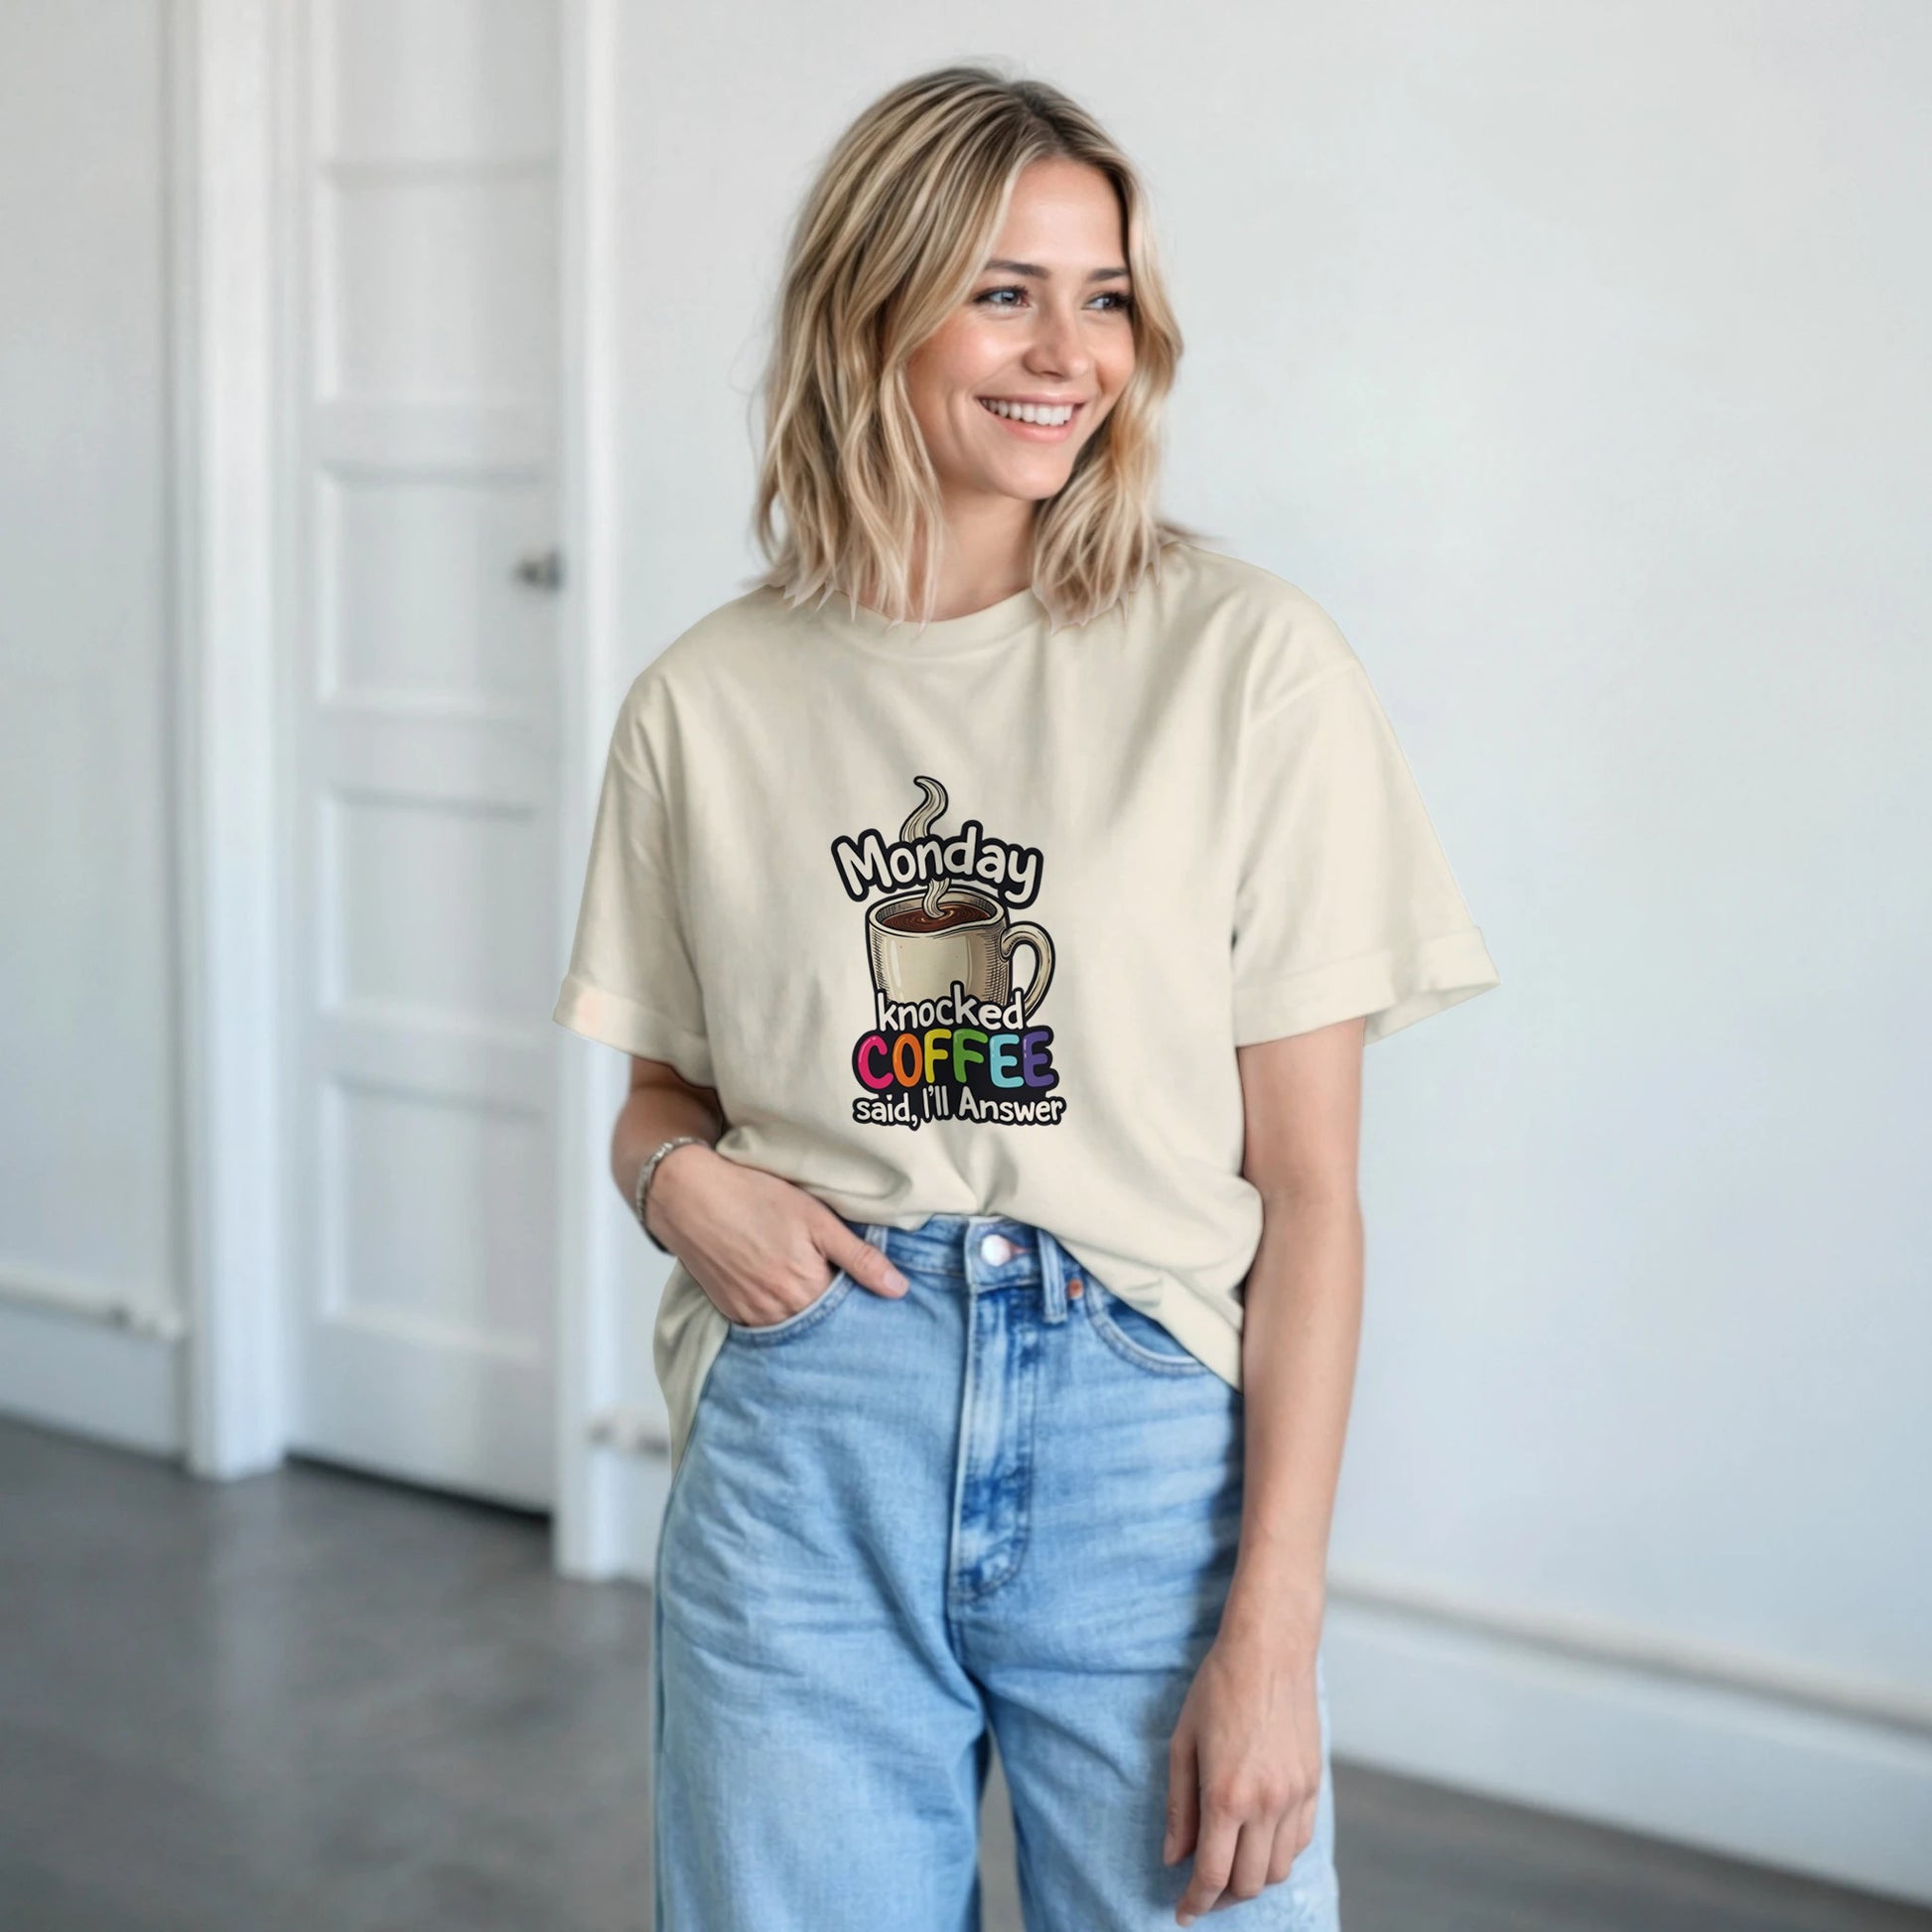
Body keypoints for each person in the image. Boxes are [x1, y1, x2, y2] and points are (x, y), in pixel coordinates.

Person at [552, 63, 1499, 1932]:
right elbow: (665, 1093)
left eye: (1106, 295)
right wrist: (672, 1182)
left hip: (1145, 1437)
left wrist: (1275, 1632)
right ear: (870, 303)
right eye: (1004, 289)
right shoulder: (703, 702)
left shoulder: (1247, 668)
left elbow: (1308, 1195)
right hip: (812, 1424)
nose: (1069, 350)